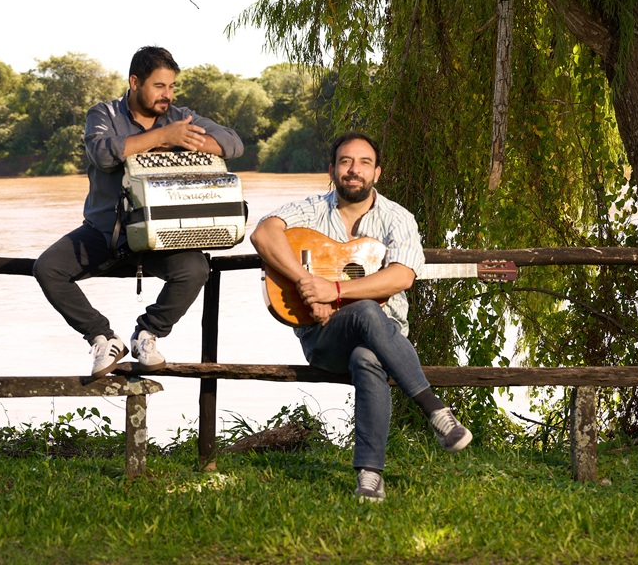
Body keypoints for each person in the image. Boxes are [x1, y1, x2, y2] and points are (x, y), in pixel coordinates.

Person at [250, 131, 472, 502]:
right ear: (333, 169)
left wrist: (335, 291)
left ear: (377, 172)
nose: (354, 170)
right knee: (367, 309)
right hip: (323, 338)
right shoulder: (312, 209)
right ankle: (435, 411)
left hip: (385, 341)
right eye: (346, 162)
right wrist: (308, 283)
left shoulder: (397, 218)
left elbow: (402, 276)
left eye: (364, 163)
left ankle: (369, 476)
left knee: (367, 356)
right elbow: (263, 234)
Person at [33, 46, 243, 380]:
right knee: (47, 268)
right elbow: (103, 154)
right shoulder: (103, 114)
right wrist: (158, 137)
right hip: (105, 233)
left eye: (172, 87)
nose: (167, 95)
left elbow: (233, 144)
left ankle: (147, 334)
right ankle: (103, 337)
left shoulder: (181, 117)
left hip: (162, 236)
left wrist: (181, 140)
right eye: (159, 86)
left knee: (195, 268)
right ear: (134, 82)